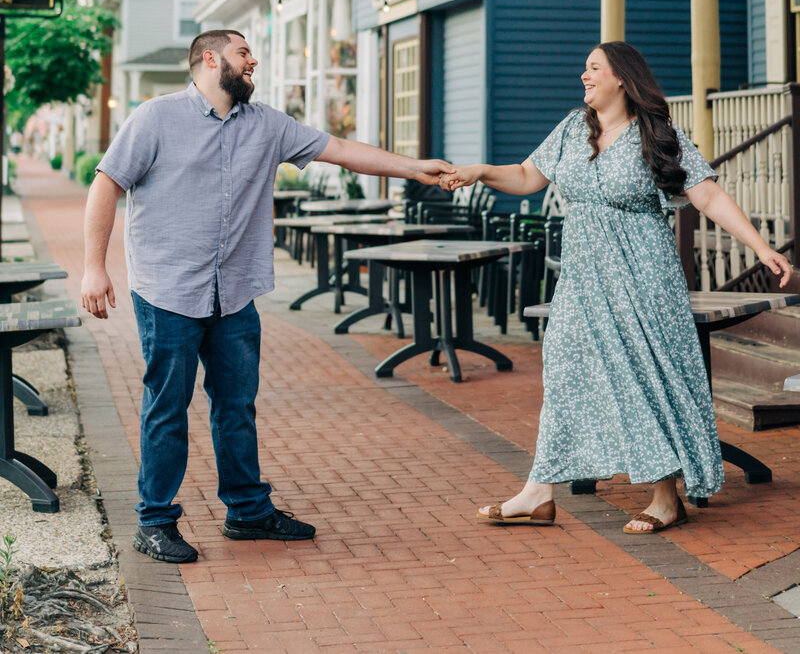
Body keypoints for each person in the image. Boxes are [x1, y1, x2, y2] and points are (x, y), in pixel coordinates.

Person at [81, 29, 454, 564]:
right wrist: (94, 268)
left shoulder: (268, 125)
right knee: (167, 408)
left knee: (236, 406)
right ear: (210, 59)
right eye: (242, 53)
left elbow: (344, 151)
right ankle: (155, 520)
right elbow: (106, 184)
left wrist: (415, 168)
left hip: (234, 294)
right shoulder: (155, 118)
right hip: (167, 292)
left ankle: (247, 511)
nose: (253, 60)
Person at [439, 42, 792, 534]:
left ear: (622, 79)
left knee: (645, 376)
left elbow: (706, 192)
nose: (583, 76)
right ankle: (539, 492)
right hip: (584, 280)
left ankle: (666, 497)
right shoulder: (571, 128)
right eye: (584, 67)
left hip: (644, 278)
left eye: (593, 68)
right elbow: (526, 176)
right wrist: (477, 171)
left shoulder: (657, 135)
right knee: (563, 372)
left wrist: (759, 246)